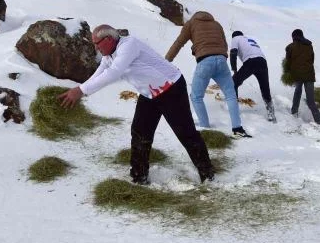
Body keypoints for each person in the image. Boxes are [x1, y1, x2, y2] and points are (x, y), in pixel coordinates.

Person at [57, 25, 214, 185]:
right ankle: (139, 176)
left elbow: (113, 73)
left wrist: (81, 90)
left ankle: (207, 174)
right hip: (149, 93)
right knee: (140, 132)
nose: (95, 47)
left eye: (97, 43)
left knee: (185, 132)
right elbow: (100, 72)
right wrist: (80, 91)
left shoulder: (129, 45)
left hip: (171, 88)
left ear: (109, 39)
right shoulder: (109, 55)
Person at [165, 11, 251, 137]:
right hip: (221, 61)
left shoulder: (191, 24)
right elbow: (224, 44)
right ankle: (237, 128)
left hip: (205, 62)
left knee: (196, 96)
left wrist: (166, 60)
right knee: (231, 95)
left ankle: (205, 125)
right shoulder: (216, 24)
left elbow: (178, 43)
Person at [230, 31, 276, 122]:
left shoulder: (235, 39)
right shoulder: (248, 39)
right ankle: (271, 115)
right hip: (262, 62)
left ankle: (234, 111)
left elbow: (233, 54)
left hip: (251, 61)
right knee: (265, 88)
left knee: (233, 83)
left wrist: (234, 70)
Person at [284, 29, 320, 125]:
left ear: (294, 37)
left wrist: (289, 72)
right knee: (311, 100)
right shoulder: (309, 45)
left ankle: (294, 112)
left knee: (297, 92)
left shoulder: (290, 47)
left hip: (297, 75)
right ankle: (319, 121)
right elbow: (312, 60)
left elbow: (287, 63)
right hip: (309, 74)